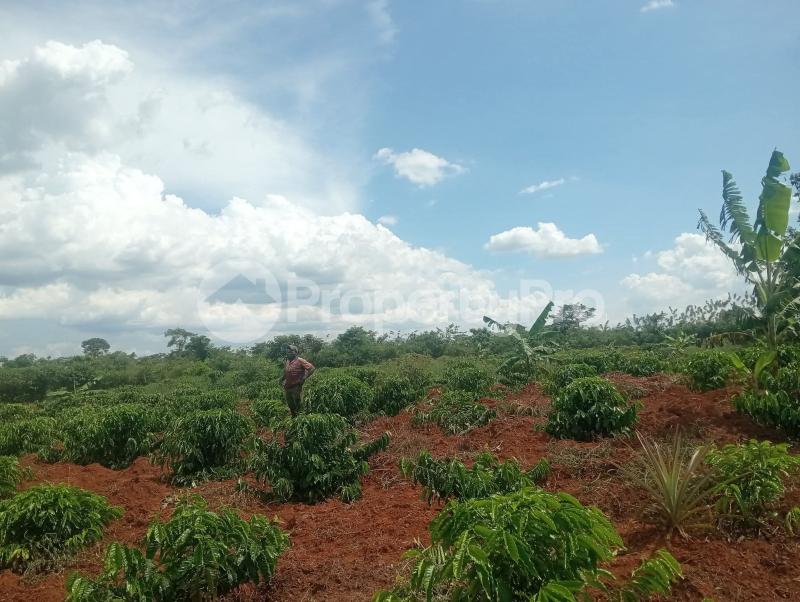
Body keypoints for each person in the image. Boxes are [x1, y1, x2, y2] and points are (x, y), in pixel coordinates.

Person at [280, 345, 315, 417]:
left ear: (295, 352)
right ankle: (294, 417)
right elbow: (286, 372)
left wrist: (304, 378)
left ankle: (300, 418)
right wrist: (281, 379)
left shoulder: (300, 360)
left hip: (296, 386)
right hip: (287, 386)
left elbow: (312, 368)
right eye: (287, 352)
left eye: (290, 352)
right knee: (290, 404)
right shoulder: (287, 361)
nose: (288, 353)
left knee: (297, 403)